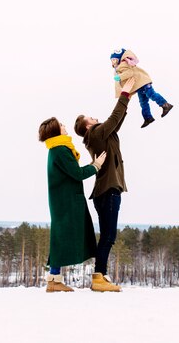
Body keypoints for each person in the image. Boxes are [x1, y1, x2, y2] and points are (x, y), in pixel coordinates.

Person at [74, 77, 136, 292]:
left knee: (108, 236)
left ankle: (101, 275)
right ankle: (98, 277)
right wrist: (124, 95)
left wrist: (127, 99)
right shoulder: (95, 134)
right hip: (107, 192)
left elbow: (116, 122)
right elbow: (113, 118)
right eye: (90, 117)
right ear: (88, 125)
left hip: (107, 192)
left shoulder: (100, 135)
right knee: (108, 236)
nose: (94, 117)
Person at [38, 117, 107, 293]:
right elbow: (77, 174)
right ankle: (53, 282)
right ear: (55, 131)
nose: (64, 126)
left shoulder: (56, 149)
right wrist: (96, 166)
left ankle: (54, 279)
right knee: (61, 238)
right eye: (61, 125)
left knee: (59, 237)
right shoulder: (60, 149)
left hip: (63, 200)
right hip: (66, 201)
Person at [110, 48, 173, 128]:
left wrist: (120, 77)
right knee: (143, 102)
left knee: (151, 94)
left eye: (114, 59)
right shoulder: (121, 66)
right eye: (111, 60)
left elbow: (130, 73)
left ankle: (165, 105)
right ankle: (148, 118)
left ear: (118, 59)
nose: (112, 62)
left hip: (143, 82)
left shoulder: (123, 65)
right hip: (139, 85)